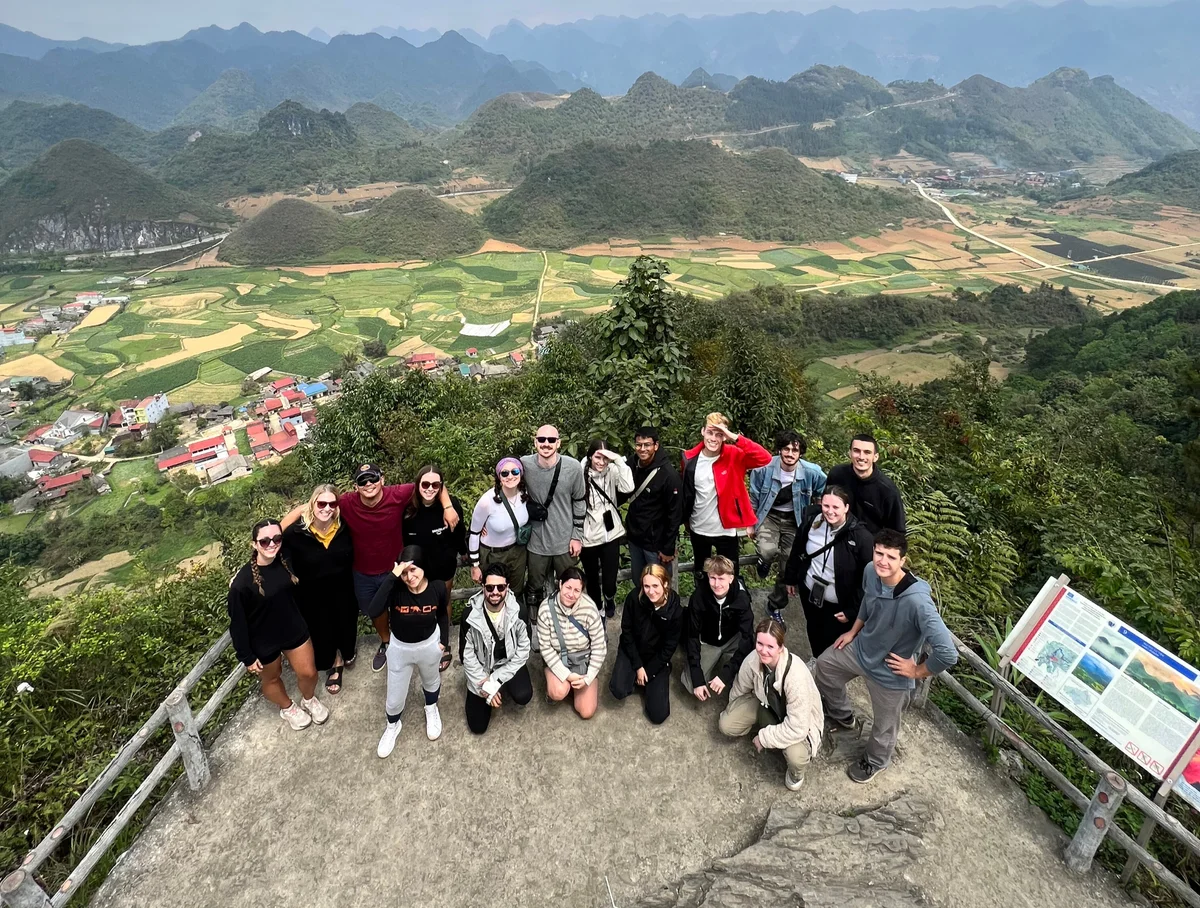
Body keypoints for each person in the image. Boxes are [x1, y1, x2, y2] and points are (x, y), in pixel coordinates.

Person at [281, 462, 458, 674]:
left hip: (396, 569)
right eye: (362, 481)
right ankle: (386, 642)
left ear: (382, 479)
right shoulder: (346, 502)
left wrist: (447, 506)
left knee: (405, 608)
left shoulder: (397, 494)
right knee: (376, 611)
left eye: (373, 478)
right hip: (363, 572)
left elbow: (431, 482)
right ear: (356, 486)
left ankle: (411, 642)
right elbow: (305, 508)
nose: (369, 484)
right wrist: (272, 537)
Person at [813, 529, 958, 783]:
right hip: (861, 648)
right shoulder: (871, 571)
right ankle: (842, 714)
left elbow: (947, 652)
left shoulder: (918, 602)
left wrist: (917, 671)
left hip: (891, 669)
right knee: (825, 666)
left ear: (903, 560)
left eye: (891, 557)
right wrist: (853, 631)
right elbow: (868, 603)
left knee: (885, 725)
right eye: (879, 553)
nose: (883, 561)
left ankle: (875, 761)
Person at [227, 519, 328, 730]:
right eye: (264, 541)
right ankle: (287, 707)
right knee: (272, 679)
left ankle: (308, 699)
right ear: (254, 544)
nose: (271, 544)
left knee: (309, 673)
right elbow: (238, 623)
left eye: (277, 539)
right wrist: (246, 656)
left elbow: (291, 523)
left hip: (293, 627)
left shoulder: (286, 559)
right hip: (263, 639)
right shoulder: (241, 584)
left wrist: (303, 507)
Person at [719, 618, 823, 791]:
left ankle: (796, 773)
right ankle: (766, 727)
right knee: (726, 724)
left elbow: (798, 728)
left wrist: (764, 738)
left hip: (800, 723)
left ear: (781, 648)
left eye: (770, 647)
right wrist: (734, 710)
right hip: (766, 704)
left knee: (796, 756)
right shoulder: (753, 659)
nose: (763, 651)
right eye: (760, 643)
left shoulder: (795, 676)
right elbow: (739, 688)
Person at [367, 545, 451, 757]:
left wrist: (444, 642)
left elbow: (442, 614)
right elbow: (374, 610)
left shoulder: (438, 587)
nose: (409, 576)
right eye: (404, 572)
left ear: (423, 566)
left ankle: (431, 708)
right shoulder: (395, 590)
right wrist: (393, 576)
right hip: (400, 649)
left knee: (431, 681)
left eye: (413, 570)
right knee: (394, 696)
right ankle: (393, 726)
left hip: (429, 646)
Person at [783, 486, 874, 660]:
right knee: (813, 628)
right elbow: (798, 550)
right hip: (810, 591)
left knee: (833, 639)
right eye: (826, 506)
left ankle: (828, 671)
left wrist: (853, 610)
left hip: (839, 603)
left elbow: (868, 579)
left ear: (846, 508)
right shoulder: (812, 521)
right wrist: (791, 577)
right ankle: (816, 660)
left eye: (835, 507)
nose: (829, 511)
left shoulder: (861, 538)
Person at [282, 485, 357, 695]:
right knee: (321, 630)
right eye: (321, 503)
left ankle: (347, 651)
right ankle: (335, 660)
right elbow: (270, 542)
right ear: (312, 504)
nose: (327, 508)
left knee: (346, 623)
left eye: (332, 504)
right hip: (311, 594)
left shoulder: (344, 526)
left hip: (343, 588)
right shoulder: (297, 532)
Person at [682, 413, 772, 581]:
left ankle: (730, 606)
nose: (714, 438)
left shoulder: (734, 455)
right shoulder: (690, 458)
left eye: (719, 434)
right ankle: (704, 607)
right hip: (698, 527)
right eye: (710, 432)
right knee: (702, 576)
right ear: (702, 431)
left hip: (726, 529)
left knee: (730, 576)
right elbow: (687, 492)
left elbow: (764, 458)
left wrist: (734, 437)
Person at [748, 431, 826, 623]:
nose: (790, 453)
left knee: (789, 565)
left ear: (800, 453)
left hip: (795, 520)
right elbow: (754, 497)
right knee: (767, 551)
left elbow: (823, 490)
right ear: (780, 450)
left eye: (795, 450)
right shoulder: (764, 468)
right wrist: (751, 523)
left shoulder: (812, 472)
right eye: (786, 449)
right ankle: (763, 562)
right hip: (769, 516)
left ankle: (775, 604)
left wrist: (817, 514)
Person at [521, 425, 586, 621]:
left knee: (570, 586)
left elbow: (580, 500)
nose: (546, 444)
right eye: (542, 439)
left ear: (559, 443)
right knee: (534, 588)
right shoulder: (524, 465)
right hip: (536, 541)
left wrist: (577, 535)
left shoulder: (573, 467)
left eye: (551, 440)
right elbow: (503, 482)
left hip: (564, 541)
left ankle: (572, 624)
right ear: (535, 442)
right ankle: (537, 628)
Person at [460, 564, 532, 735]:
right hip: (482, 667)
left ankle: (504, 684)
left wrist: (495, 681)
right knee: (478, 727)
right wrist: (484, 685)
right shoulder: (469, 615)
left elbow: (523, 649)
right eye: (490, 587)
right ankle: (490, 689)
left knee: (523, 695)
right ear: (483, 587)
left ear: (507, 587)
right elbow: (466, 656)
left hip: (508, 662)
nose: (495, 592)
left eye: (500, 587)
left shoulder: (519, 611)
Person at [609, 565, 684, 724]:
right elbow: (626, 632)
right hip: (632, 649)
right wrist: (638, 666)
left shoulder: (675, 610)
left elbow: (670, 646)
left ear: (665, 584)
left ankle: (649, 679)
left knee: (658, 716)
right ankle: (638, 679)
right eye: (646, 586)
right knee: (618, 690)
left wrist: (649, 671)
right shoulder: (633, 599)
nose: (651, 591)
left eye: (655, 585)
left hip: (656, 656)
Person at [682, 555, 754, 703]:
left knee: (757, 651)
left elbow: (748, 637)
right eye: (712, 578)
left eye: (721, 578)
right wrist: (697, 678)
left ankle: (730, 663)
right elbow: (692, 635)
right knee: (691, 684)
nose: (716, 584)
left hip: (733, 638)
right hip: (708, 641)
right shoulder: (698, 597)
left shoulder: (741, 598)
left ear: (731, 578)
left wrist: (725, 675)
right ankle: (713, 659)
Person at [537, 567, 606, 720]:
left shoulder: (589, 608)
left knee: (586, 711)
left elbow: (599, 645)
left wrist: (588, 677)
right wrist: (567, 675)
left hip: (582, 659)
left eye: (577, 590)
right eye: (568, 587)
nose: (571, 594)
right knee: (558, 692)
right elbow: (546, 648)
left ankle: (578, 688)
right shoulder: (545, 609)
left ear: (582, 591)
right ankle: (557, 686)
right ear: (560, 584)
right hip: (557, 656)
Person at [580, 438, 634, 618]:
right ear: (590, 456)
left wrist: (618, 460)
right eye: (597, 457)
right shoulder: (581, 473)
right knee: (592, 578)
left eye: (605, 458)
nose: (601, 462)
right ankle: (598, 608)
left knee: (610, 579)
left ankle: (609, 597)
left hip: (611, 534)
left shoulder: (612, 471)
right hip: (588, 536)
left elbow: (628, 487)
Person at [621, 426, 683, 582]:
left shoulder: (668, 475)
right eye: (639, 445)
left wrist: (667, 548)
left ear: (656, 445)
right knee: (639, 582)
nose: (642, 449)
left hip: (656, 544)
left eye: (647, 445)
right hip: (635, 538)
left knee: (658, 584)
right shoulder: (632, 464)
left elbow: (675, 513)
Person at [403, 463, 467, 600]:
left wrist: (464, 551)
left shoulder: (452, 506)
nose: (430, 489)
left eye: (435, 485)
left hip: (444, 565)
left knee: (444, 601)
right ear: (418, 484)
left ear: (441, 486)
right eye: (425, 484)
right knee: (420, 603)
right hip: (417, 568)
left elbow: (459, 531)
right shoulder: (407, 509)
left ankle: (445, 623)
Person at [825, 434, 906, 536]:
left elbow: (897, 531)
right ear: (850, 453)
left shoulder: (887, 490)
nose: (861, 457)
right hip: (835, 537)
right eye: (856, 451)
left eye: (867, 452)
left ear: (875, 457)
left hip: (870, 545)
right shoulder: (837, 474)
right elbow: (826, 504)